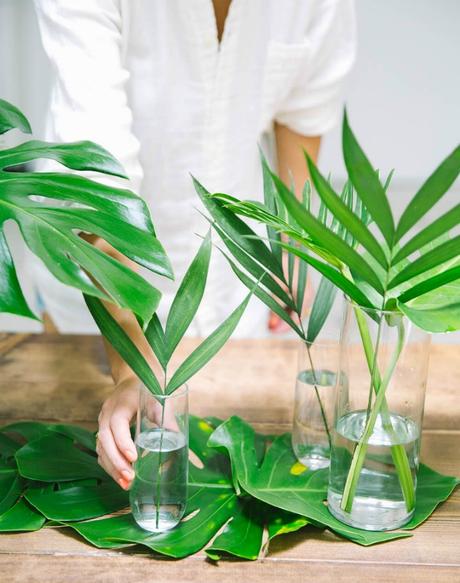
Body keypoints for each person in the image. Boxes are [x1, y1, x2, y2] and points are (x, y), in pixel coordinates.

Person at [33, 0, 356, 490]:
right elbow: (99, 188)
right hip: (96, 295)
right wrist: (133, 370)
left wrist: (290, 244)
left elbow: (302, 111)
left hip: (237, 292)